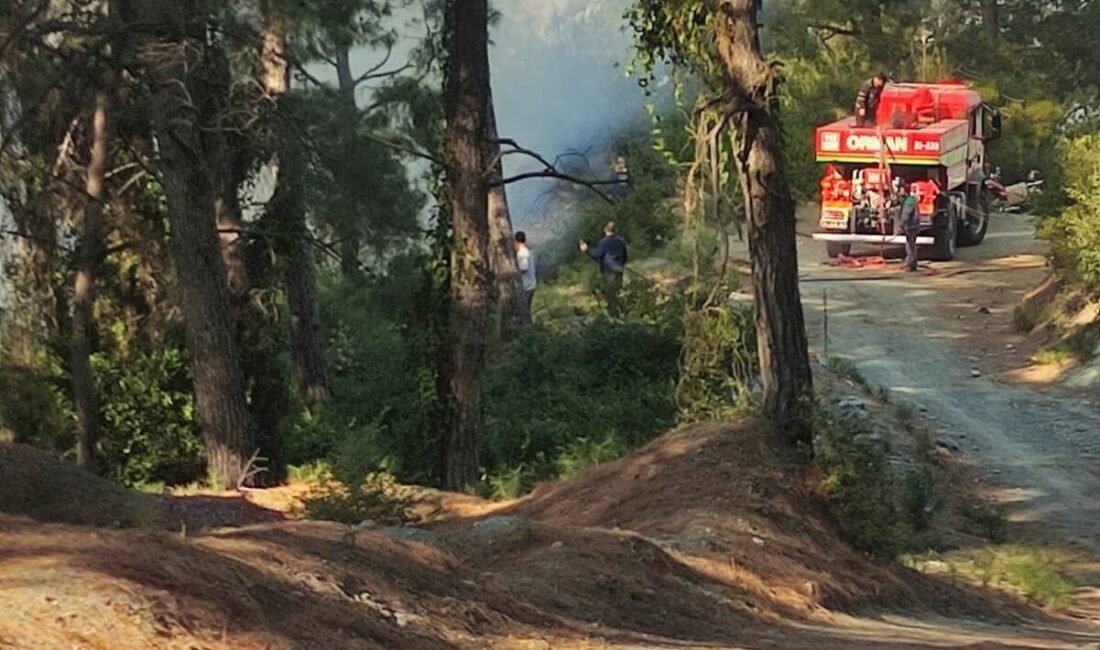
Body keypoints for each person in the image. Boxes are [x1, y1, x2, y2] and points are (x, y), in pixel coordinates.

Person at [580, 221, 629, 316]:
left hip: (609, 271)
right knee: (618, 291)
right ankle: (622, 312)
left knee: (610, 294)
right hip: (619, 269)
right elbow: (625, 257)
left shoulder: (603, 242)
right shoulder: (621, 241)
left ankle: (614, 315)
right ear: (616, 230)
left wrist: (587, 250)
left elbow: (597, 255)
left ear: (605, 230)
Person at [894, 182, 920, 272]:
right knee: (911, 245)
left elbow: (906, 214)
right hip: (913, 225)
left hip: (911, 226)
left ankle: (911, 264)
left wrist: (900, 226)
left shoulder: (909, 201)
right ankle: (912, 263)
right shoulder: (911, 199)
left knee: (910, 246)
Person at [514, 231, 536, 320]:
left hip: (526, 286)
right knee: (527, 311)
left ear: (516, 242)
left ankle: (527, 330)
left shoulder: (522, 253)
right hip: (531, 284)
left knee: (524, 312)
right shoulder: (528, 251)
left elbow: (524, 267)